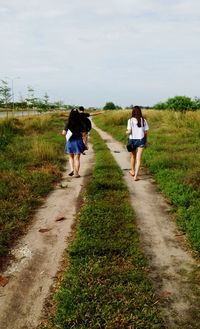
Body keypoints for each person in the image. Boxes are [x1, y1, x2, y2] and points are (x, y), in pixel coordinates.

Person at [126, 105, 149, 181]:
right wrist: (145, 141)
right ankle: (135, 176)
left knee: (133, 156)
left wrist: (126, 132)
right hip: (141, 140)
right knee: (139, 159)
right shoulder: (144, 120)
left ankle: (132, 171)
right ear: (140, 112)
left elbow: (129, 132)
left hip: (132, 140)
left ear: (133, 112)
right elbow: (146, 133)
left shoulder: (130, 120)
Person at [62, 108, 86, 177]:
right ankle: (76, 173)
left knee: (71, 157)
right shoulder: (81, 122)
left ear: (70, 114)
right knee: (77, 158)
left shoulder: (68, 122)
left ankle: (72, 169)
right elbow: (84, 134)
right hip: (78, 141)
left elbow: (63, 133)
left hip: (70, 141)